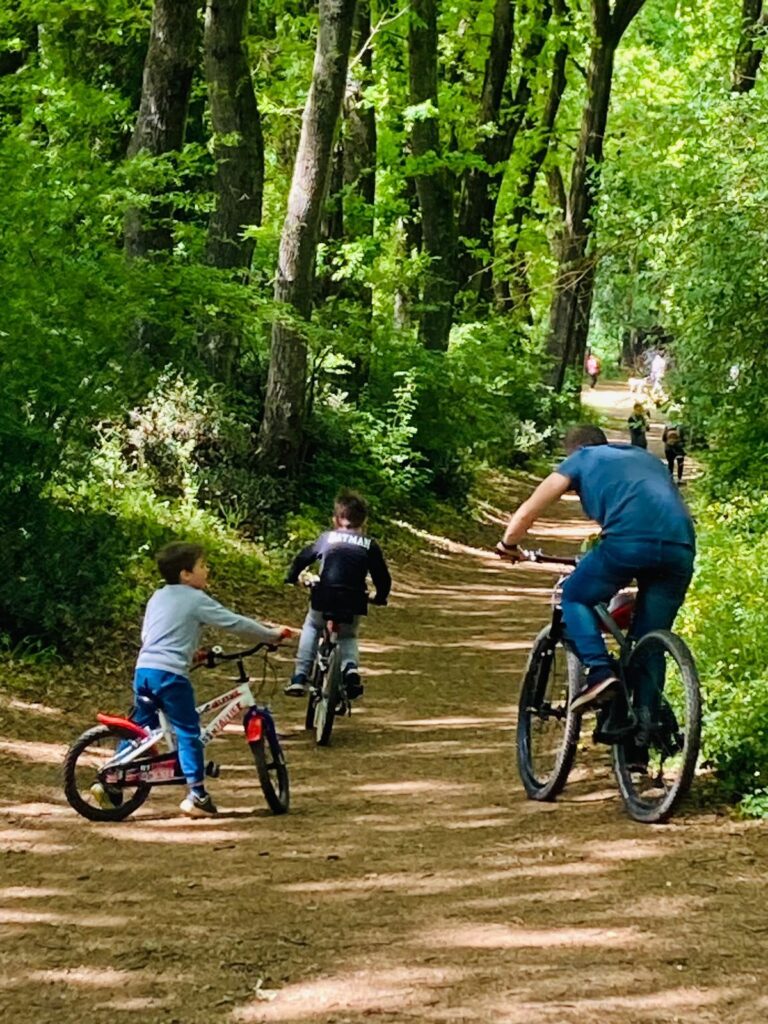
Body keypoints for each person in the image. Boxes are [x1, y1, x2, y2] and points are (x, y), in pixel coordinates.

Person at [496, 425, 695, 716]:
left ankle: (600, 672)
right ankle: (641, 739)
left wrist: (508, 544)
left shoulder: (581, 459)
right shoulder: (646, 459)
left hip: (628, 543)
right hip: (681, 547)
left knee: (575, 594)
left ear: (575, 449)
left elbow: (529, 510)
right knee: (649, 640)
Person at [96, 542, 291, 819]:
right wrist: (271, 634)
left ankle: (112, 780)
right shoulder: (195, 598)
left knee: (142, 726)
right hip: (170, 676)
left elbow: (152, 636)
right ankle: (197, 795)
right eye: (202, 565)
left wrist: (190, 654)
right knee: (188, 730)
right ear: (186, 574)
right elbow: (234, 623)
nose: (207, 569)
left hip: (144, 671)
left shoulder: (158, 596)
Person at [284, 490, 391, 700]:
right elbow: (382, 576)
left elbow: (303, 558)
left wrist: (292, 577)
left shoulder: (327, 538)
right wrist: (380, 597)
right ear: (364, 521)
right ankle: (350, 669)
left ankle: (299, 676)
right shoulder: (369, 545)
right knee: (348, 635)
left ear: (335, 519)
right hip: (354, 599)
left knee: (313, 627)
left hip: (324, 595)